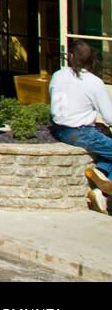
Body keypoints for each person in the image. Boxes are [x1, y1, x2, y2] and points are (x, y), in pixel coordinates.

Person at [50, 40, 112, 212]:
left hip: (60, 130)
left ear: (70, 57)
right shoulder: (94, 83)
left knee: (108, 146)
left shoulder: (58, 75)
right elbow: (109, 116)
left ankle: (101, 173)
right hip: (82, 132)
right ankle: (103, 191)